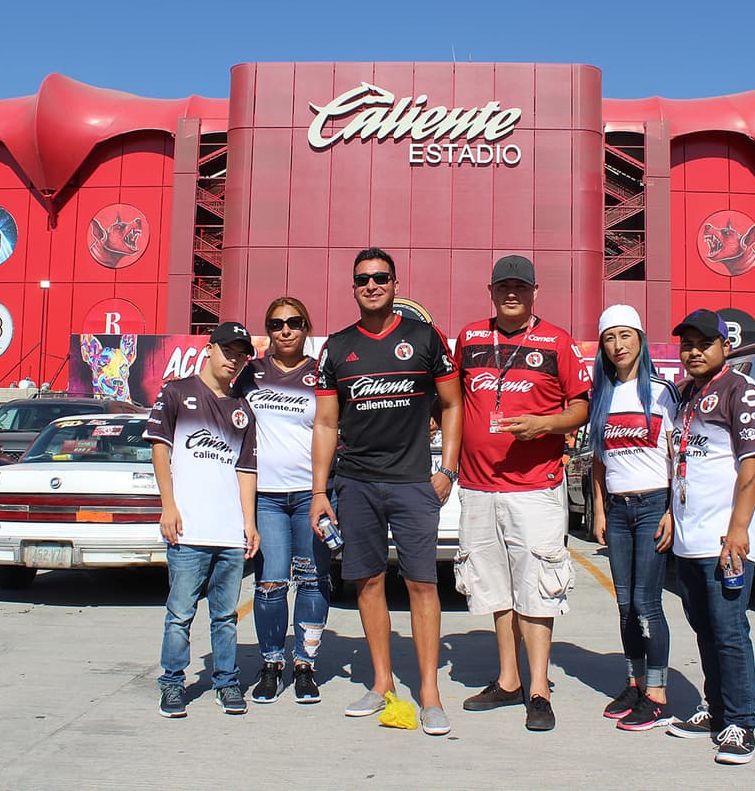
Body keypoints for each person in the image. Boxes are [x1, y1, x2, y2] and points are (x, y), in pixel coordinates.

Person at [309, 247, 462, 736]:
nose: (371, 285)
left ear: (395, 283)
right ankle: (381, 684)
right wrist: (319, 491)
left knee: (422, 584)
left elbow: (453, 404)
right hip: (355, 483)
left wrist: (448, 469)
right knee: (369, 582)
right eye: (362, 279)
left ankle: (430, 696)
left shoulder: (424, 338)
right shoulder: (336, 347)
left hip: (415, 482)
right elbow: (327, 423)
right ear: (353, 287)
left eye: (380, 277)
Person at [453, 255, 589, 732]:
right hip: (477, 485)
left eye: (521, 287)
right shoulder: (469, 337)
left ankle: (538, 689)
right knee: (494, 587)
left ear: (535, 292)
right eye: (504, 287)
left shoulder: (558, 341)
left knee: (538, 588)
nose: (512, 294)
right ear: (491, 291)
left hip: (535, 487)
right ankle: (507, 680)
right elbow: (452, 401)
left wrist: (544, 424)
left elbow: (581, 407)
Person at [664, 309, 755, 765]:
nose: (693, 351)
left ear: (725, 347)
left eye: (703, 343)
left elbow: (753, 463)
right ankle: (715, 711)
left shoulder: (742, 391)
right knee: (705, 630)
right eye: (687, 344)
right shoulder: (687, 396)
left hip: (725, 539)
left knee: (730, 632)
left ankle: (741, 723)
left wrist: (738, 530)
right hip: (690, 539)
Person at [145, 321, 261, 719]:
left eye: (242, 354)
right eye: (228, 350)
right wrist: (168, 506)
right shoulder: (177, 392)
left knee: (225, 617)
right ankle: (173, 684)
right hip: (188, 529)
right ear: (209, 349)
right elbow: (160, 451)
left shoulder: (243, 410)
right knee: (180, 615)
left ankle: (226, 683)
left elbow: (246, 470)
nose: (234, 360)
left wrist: (249, 524)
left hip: (229, 533)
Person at [234, 296, 331, 705]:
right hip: (267, 498)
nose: (285, 330)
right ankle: (271, 663)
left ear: (307, 327)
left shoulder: (322, 374)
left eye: (294, 323)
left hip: (312, 495)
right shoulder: (251, 373)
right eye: (276, 324)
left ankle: (305, 665)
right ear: (268, 330)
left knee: (311, 581)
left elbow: (334, 425)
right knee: (271, 583)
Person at [588, 304, 679, 731]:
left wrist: (672, 512)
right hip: (618, 511)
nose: (618, 345)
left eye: (626, 336)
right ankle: (635, 682)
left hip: (652, 506)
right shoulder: (601, 396)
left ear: (640, 340)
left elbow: (681, 458)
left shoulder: (663, 392)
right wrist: (600, 511)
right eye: (610, 338)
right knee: (625, 606)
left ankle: (658, 695)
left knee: (647, 604)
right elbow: (599, 463)